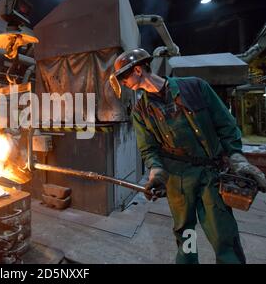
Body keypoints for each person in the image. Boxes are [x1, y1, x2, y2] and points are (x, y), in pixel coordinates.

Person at [109, 48, 266, 264]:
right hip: (179, 180)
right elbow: (149, 149)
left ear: (137, 70)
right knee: (186, 232)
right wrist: (157, 173)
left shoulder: (194, 87)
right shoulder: (141, 111)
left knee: (222, 232)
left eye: (123, 77)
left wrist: (236, 157)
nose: (123, 83)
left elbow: (225, 123)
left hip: (211, 173)